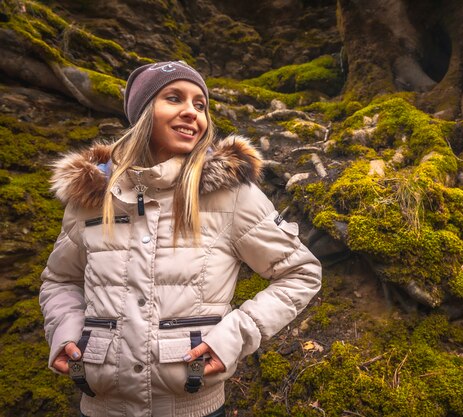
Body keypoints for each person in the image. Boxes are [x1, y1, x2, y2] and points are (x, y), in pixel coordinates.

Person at [39, 61, 322, 417]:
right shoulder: (93, 197)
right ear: (143, 113)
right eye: (174, 98)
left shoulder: (230, 194)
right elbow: (60, 279)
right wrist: (67, 332)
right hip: (100, 407)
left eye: (200, 105)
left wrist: (234, 336)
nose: (192, 112)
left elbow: (300, 272)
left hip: (192, 405)